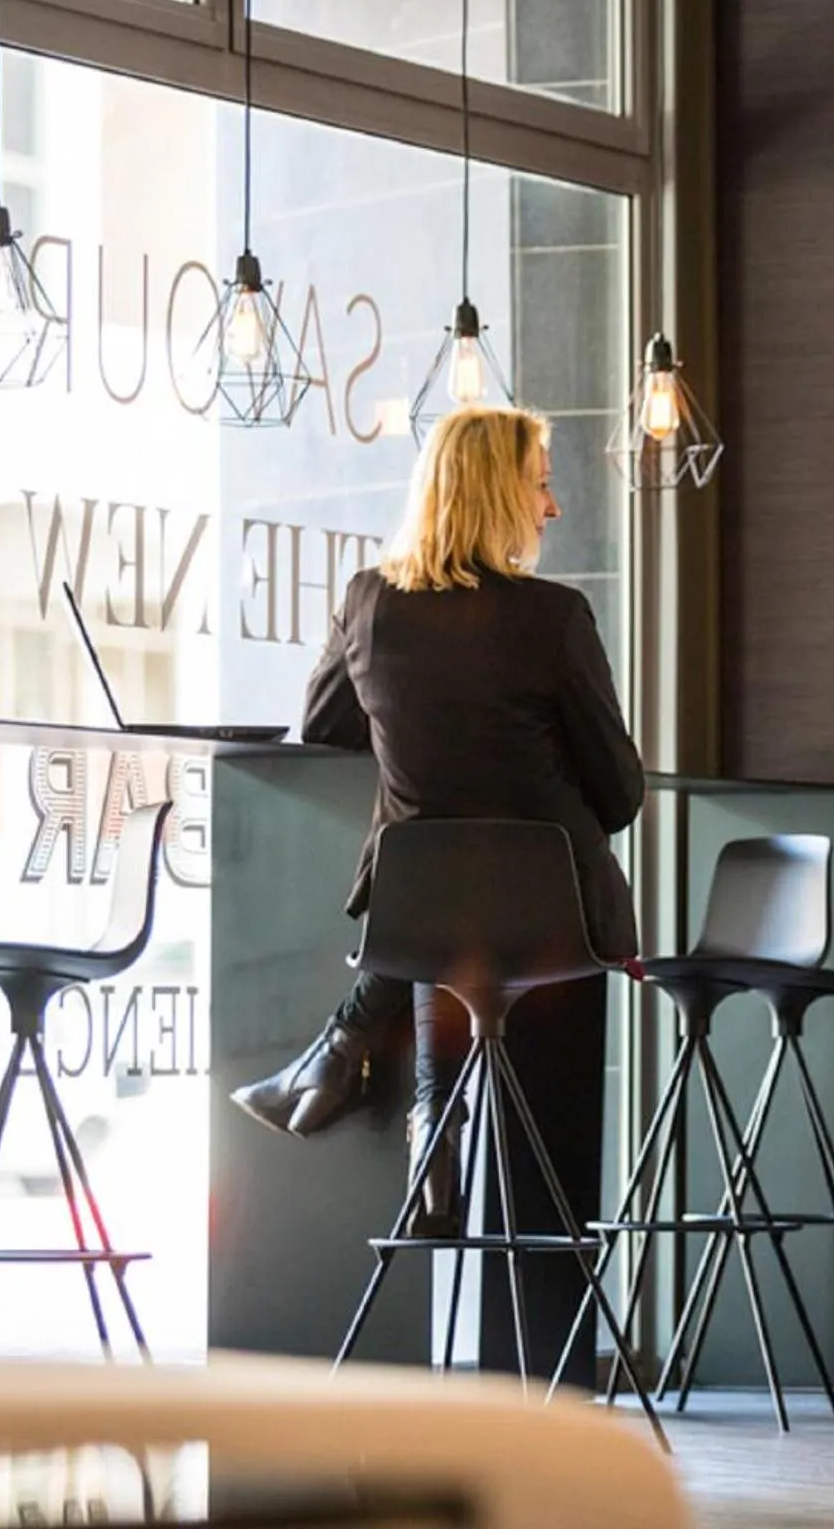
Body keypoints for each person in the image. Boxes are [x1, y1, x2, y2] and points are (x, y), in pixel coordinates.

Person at [228, 404, 645, 1241]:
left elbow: (327, 729)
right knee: (470, 886)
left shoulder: (367, 602)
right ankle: (395, 1102)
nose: (552, 508)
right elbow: (621, 796)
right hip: (559, 923)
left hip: (418, 919)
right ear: (497, 495)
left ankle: (418, 1124)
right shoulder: (556, 617)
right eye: (541, 485)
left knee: (442, 885)